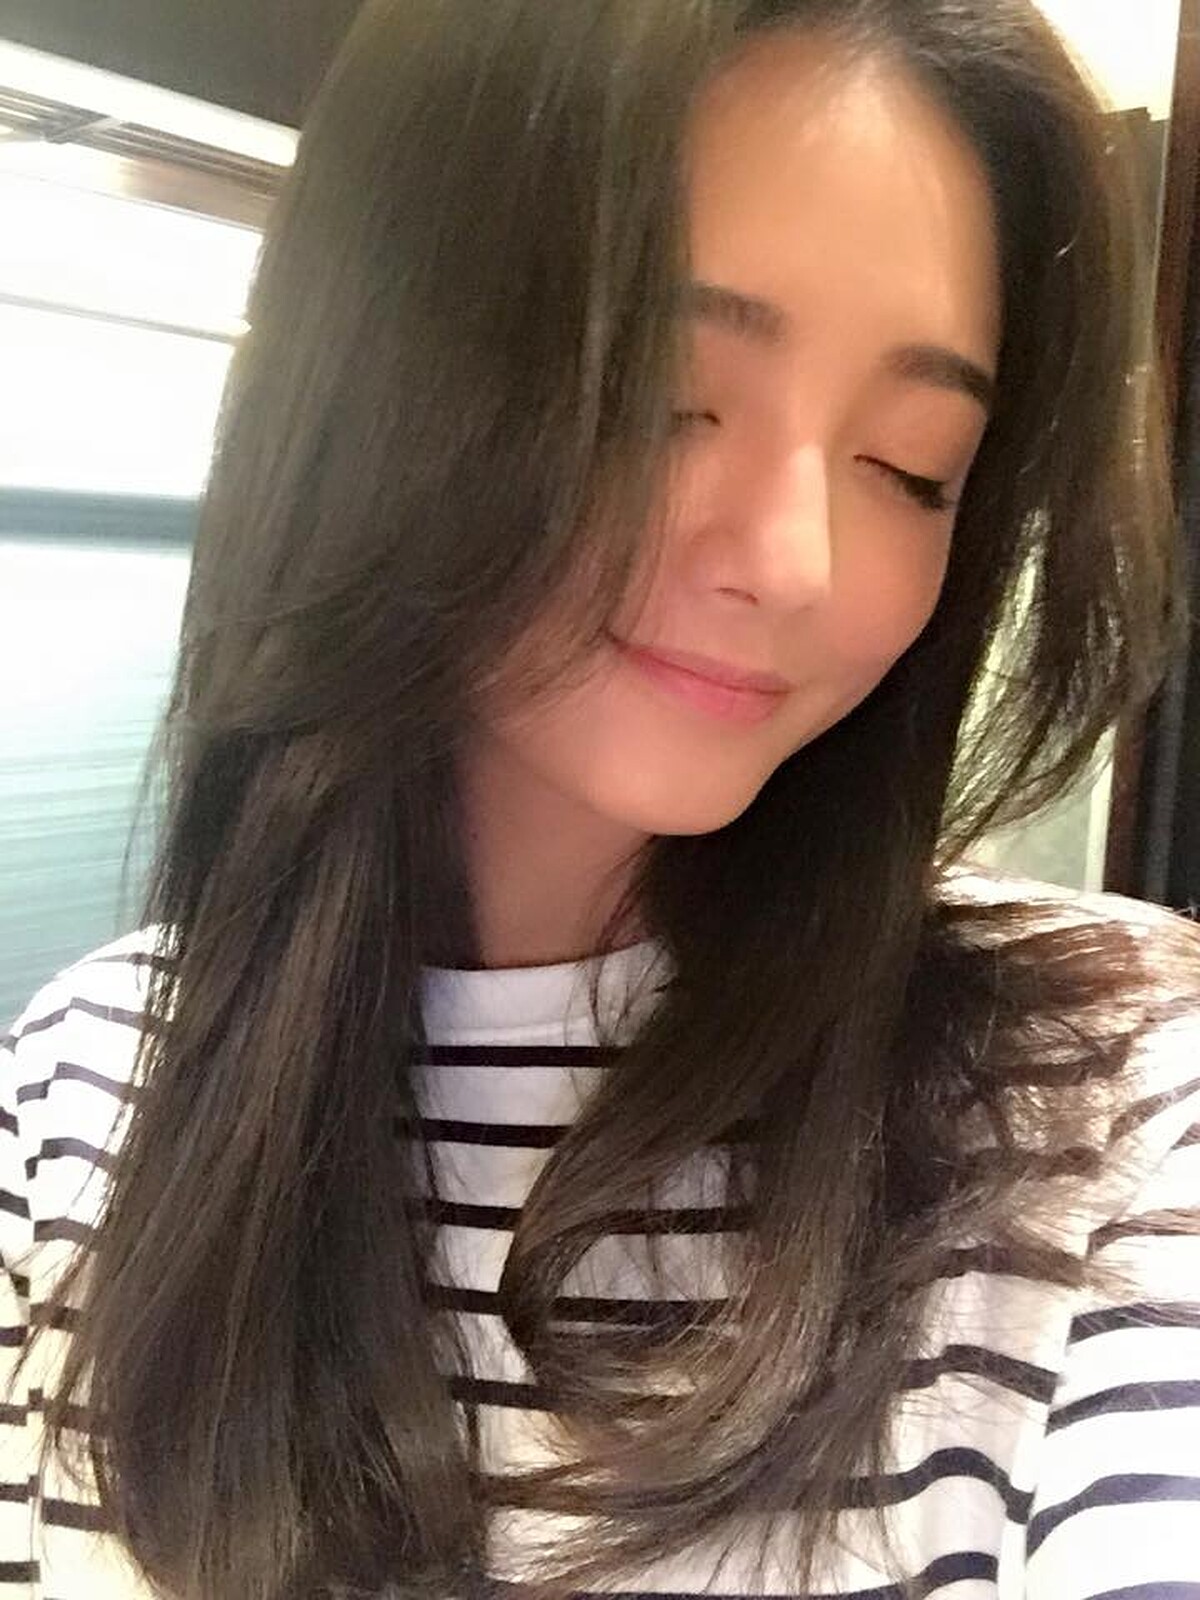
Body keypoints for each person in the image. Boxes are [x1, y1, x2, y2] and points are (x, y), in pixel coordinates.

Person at [2, 1, 1198, 1597]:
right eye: (663, 392)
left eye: (912, 465)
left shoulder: (1115, 1105)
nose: (796, 561)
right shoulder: (82, 1085)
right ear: (374, 379)